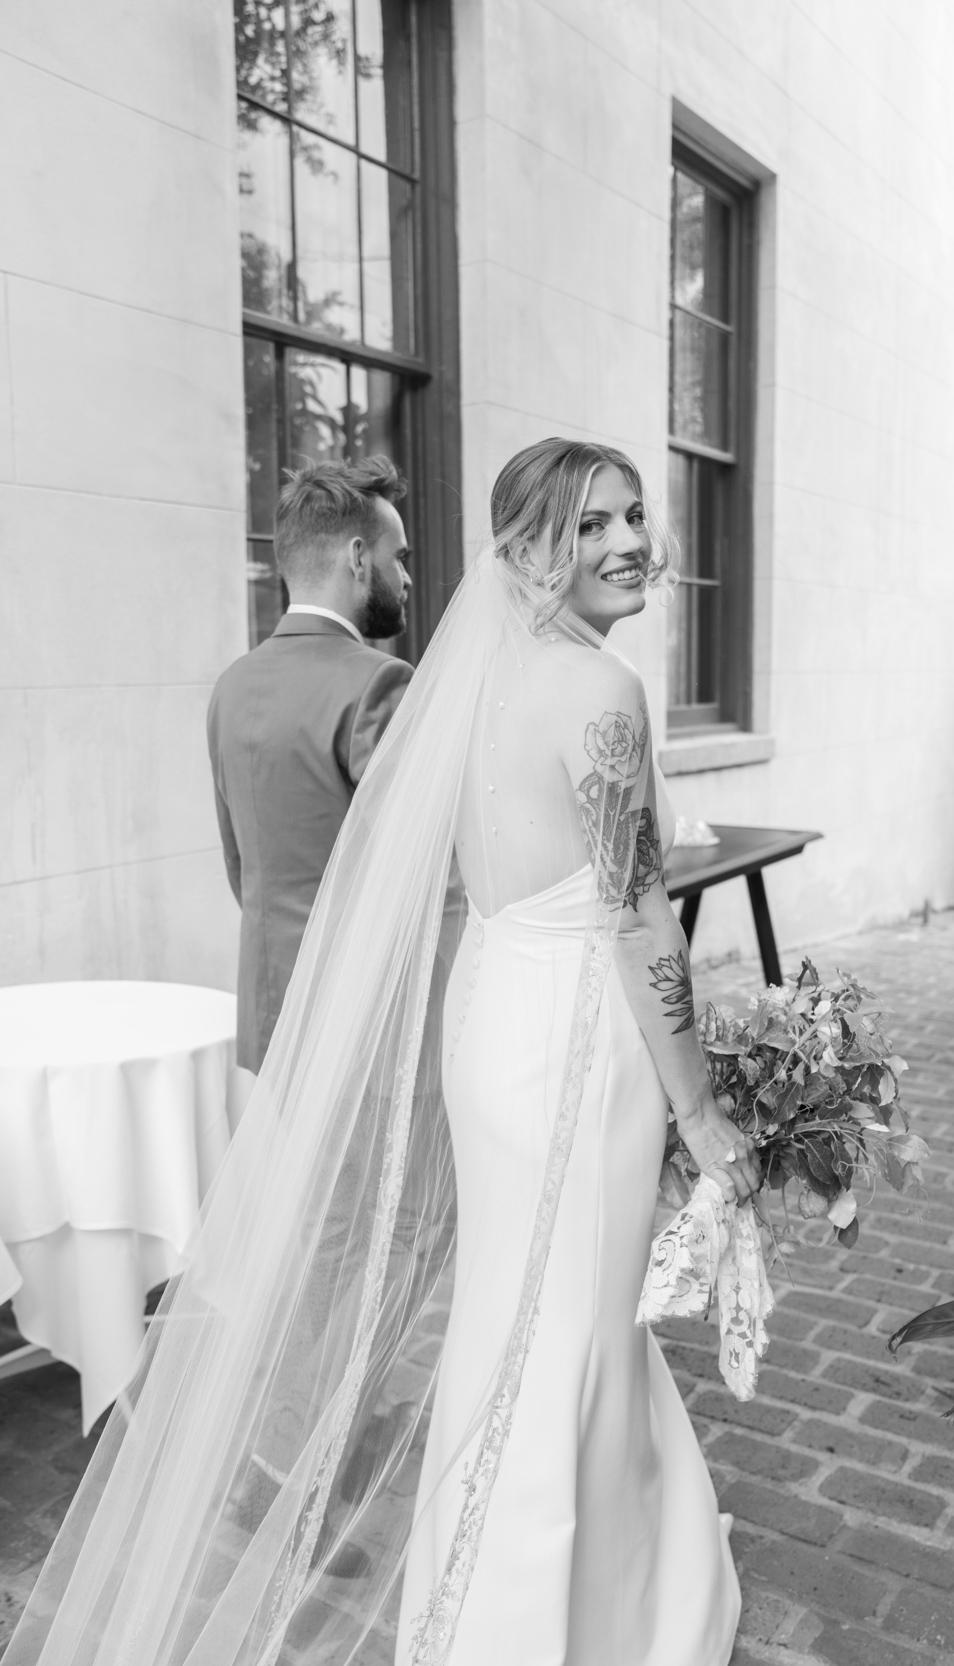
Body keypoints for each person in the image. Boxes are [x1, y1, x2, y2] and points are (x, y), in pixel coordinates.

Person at [7, 439, 760, 1666]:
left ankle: (563, 1587)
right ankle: (534, 1623)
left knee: (518, 1317)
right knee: (569, 1322)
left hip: (487, 1017)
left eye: (633, 517)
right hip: (571, 1034)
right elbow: (636, 913)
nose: (628, 543)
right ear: (530, 548)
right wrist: (703, 1109)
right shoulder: (599, 692)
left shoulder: (467, 683)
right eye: (588, 525)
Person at [207, 457, 414, 1071]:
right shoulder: (379, 682)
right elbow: (418, 871)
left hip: (269, 1010)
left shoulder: (231, 684)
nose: (405, 578)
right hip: (359, 1022)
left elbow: (239, 864)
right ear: (357, 558)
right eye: (398, 556)